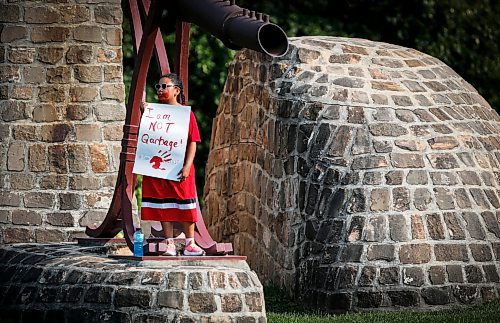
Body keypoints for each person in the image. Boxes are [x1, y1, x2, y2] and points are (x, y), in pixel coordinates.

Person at [140, 73, 205, 256]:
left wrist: (187, 166)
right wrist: (146, 113)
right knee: (163, 205)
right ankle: (169, 243)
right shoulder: (155, 113)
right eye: (158, 86)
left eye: (165, 86)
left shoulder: (186, 114)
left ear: (176, 91)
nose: (160, 90)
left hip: (180, 167)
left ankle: (190, 244)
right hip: (160, 168)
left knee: (186, 204)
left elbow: (193, 141)